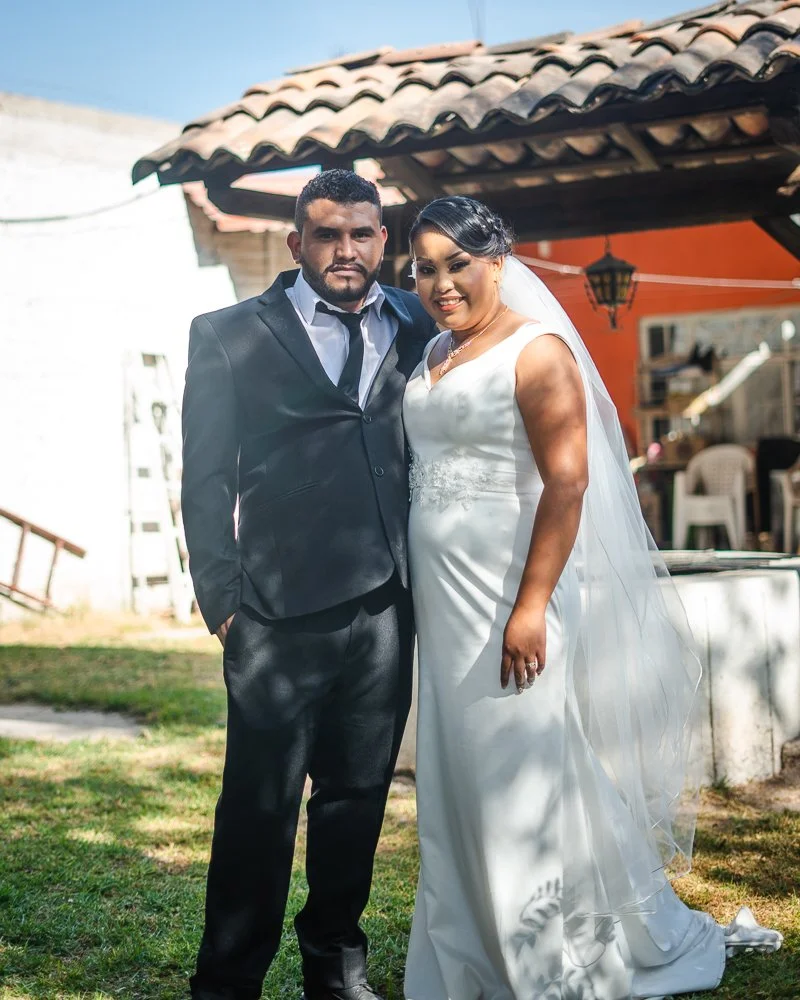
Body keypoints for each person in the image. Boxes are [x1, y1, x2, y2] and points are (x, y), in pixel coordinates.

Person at [401, 196, 782, 1000]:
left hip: (512, 599)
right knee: (460, 775)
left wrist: (532, 604)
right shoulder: (432, 350)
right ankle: (467, 951)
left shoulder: (537, 353)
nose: (441, 284)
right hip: (444, 608)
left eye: (456, 264)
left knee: (521, 774)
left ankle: (538, 960)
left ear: (497, 260)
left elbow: (567, 481)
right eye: (424, 269)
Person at [181, 169, 437, 1000]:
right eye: (327, 234)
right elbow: (205, 478)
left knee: (356, 798)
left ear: (382, 240)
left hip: (386, 608)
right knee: (260, 806)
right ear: (297, 243)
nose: (346, 250)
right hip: (275, 615)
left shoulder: (414, 318)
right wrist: (224, 603)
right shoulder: (227, 334)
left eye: (362, 234)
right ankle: (228, 979)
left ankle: (334, 962)